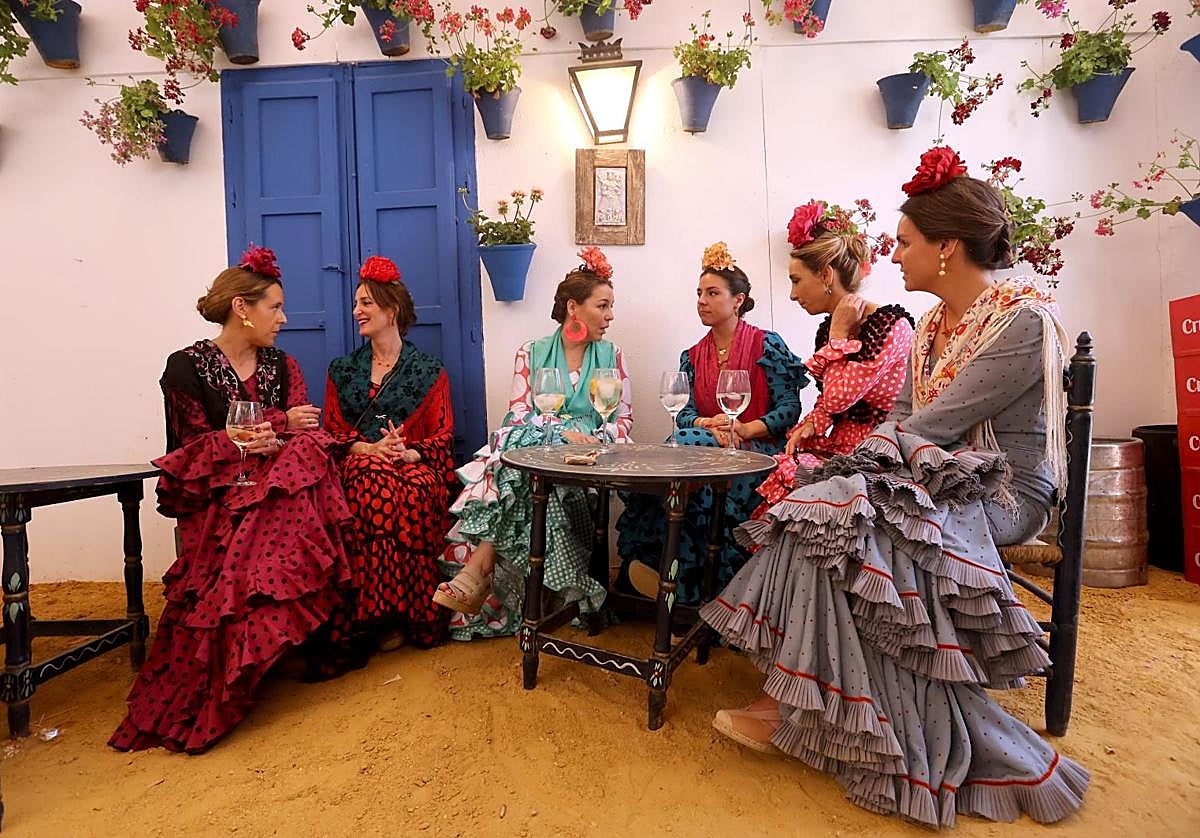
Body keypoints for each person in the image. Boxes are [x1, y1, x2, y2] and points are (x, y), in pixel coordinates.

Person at [700, 148, 1089, 827]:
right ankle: (803, 700)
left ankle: (819, 709)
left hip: (1000, 496)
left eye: (905, 243)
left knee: (839, 512)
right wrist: (843, 472)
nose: (895, 254)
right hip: (930, 480)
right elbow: (908, 424)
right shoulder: (934, 324)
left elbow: (935, 423)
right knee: (820, 510)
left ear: (946, 247)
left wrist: (849, 468)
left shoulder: (1023, 319)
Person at [110, 245, 353, 754]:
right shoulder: (185, 368)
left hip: (279, 494)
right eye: (275, 308)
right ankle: (228, 667)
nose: (284, 319)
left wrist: (275, 434)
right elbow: (189, 450)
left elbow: (305, 432)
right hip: (219, 496)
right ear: (242, 307)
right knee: (294, 466)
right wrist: (264, 431)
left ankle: (266, 640)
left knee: (306, 457)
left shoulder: (282, 366)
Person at [434, 247, 632, 639]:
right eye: (603, 305)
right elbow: (520, 416)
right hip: (540, 453)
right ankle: (494, 573)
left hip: (588, 458)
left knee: (518, 454)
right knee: (522, 450)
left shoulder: (612, 355)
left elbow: (622, 422)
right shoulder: (532, 352)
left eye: (612, 307)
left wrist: (588, 437)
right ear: (574, 307)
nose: (610, 316)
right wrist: (559, 435)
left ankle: (479, 567)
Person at [616, 242, 806, 604]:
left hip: (757, 453)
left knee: (679, 457)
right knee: (688, 459)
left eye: (712, 293)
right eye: (699, 293)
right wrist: (708, 423)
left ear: (738, 300)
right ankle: (685, 591)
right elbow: (684, 413)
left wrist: (746, 429)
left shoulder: (767, 344)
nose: (702, 300)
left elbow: (789, 407)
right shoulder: (691, 356)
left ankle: (677, 586)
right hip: (706, 449)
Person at [322, 256, 456, 654]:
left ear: (391, 309)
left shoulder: (429, 371)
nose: (355, 311)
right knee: (369, 477)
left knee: (413, 491)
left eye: (365, 303)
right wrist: (365, 447)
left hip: (413, 466)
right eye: (356, 303)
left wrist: (411, 451)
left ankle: (409, 615)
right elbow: (330, 433)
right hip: (360, 464)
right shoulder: (343, 370)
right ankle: (376, 617)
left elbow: (444, 435)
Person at [753, 200, 914, 513]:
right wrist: (811, 423)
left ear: (826, 275)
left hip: (879, 458)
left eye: (796, 280)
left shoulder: (890, 325)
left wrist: (839, 334)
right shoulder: (826, 330)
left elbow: (840, 398)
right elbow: (829, 403)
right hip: (842, 450)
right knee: (784, 469)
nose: (792, 295)